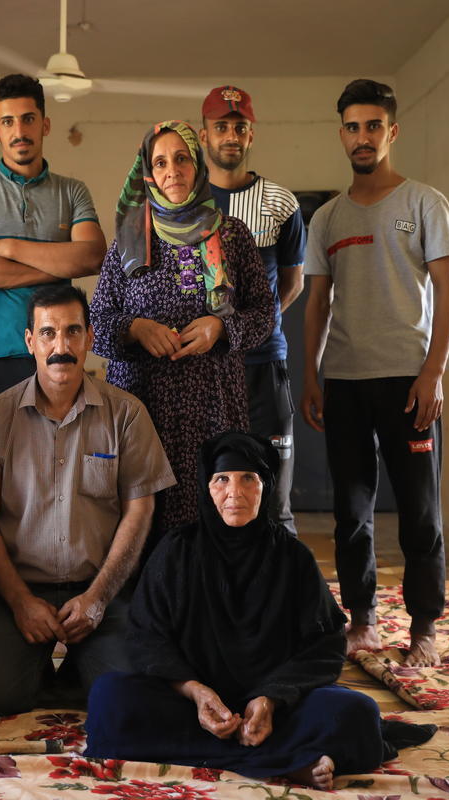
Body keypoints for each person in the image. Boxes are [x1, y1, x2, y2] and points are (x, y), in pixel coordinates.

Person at [84, 432, 385, 788]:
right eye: (221, 479)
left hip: (276, 707)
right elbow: (146, 635)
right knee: (109, 698)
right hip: (193, 706)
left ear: (267, 486)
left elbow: (326, 643)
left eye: (248, 479)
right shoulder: (177, 551)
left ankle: (265, 752)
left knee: (360, 712)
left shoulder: (292, 558)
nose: (234, 493)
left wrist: (271, 698)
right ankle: (289, 759)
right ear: (205, 487)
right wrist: (195, 692)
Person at [301, 79, 449, 668]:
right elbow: (316, 303)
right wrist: (313, 377)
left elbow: (448, 290)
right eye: (352, 127)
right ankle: (362, 622)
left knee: (420, 511)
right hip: (344, 382)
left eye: (373, 126)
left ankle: (423, 628)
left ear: (391, 131)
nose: (362, 137)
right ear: (341, 134)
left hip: (408, 381)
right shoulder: (328, 219)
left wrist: (433, 373)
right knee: (351, 512)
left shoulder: (424, 203)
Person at [0, 285, 175, 717]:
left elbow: (141, 509)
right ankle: (49, 672)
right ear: (30, 342)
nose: (61, 347)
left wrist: (98, 598)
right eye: (48, 334)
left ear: (90, 337)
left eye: (73, 332)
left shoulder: (127, 414)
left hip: (102, 587)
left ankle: (84, 665)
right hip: (19, 590)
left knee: (129, 698)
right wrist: (21, 602)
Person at [90, 120, 275, 537]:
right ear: (148, 174)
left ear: (197, 166)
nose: (171, 170)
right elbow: (96, 323)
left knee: (209, 510)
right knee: (141, 514)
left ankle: (207, 601)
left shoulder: (231, 234)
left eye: (181, 158)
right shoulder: (126, 241)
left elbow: (265, 315)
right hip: (141, 405)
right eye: (160, 162)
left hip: (213, 404)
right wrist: (135, 328)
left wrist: (220, 327)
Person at [0, 74, 106, 459]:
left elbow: (91, 256)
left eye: (29, 119)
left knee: (54, 477)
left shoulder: (73, 191)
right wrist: (56, 265)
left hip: (57, 355)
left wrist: (8, 247)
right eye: (8, 122)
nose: (19, 131)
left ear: (45, 125)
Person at [200, 85, 306, 538]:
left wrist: (248, 327)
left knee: (272, 499)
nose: (230, 135)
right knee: (207, 494)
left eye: (239, 127)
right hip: (202, 370)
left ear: (251, 134)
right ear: (204, 136)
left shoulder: (280, 203)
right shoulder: (185, 203)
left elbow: (292, 282)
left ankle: (282, 605)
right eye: (220, 127)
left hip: (264, 365)